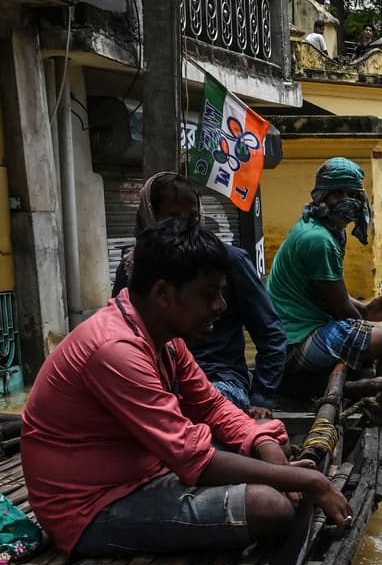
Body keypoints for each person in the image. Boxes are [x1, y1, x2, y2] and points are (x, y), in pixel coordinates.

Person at [22, 217, 351, 557]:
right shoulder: (114, 350)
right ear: (163, 293)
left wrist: (263, 442)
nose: (220, 306)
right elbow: (195, 459)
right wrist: (303, 480)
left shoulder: (163, 338)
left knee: (266, 451)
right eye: (208, 295)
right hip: (90, 511)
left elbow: (210, 405)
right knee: (270, 505)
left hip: (146, 476)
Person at [265, 157, 382, 473]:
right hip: (294, 343)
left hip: (305, 330)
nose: (346, 202)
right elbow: (339, 308)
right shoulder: (317, 239)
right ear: (321, 196)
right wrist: (362, 316)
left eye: (353, 194)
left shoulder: (330, 231)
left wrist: (364, 309)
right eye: (338, 194)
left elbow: (338, 296)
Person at [113, 173, 288, 418]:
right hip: (155, 379)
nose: (186, 225)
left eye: (192, 217)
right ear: (150, 216)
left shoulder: (228, 261)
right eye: (172, 217)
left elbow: (270, 332)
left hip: (218, 378)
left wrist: (261, 396)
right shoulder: (134, 268)